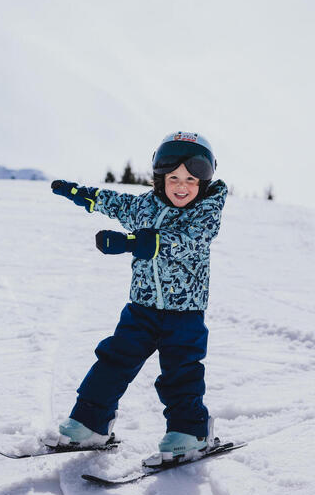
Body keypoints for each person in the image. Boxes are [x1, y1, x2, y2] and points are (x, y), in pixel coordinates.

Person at [49, 132, 227, 464]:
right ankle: (90, 424)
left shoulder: (205, 213)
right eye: (173, 177)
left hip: (184, 315)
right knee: (113, 362)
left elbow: (186, 242)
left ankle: (190, 434)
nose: (181, 186)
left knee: (180, 374)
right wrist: (82, 194)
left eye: (190, 179)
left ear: (203, 182)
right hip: (141, 310)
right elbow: (114, 202)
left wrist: (134, 243)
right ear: (160, 178)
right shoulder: (146, 205)